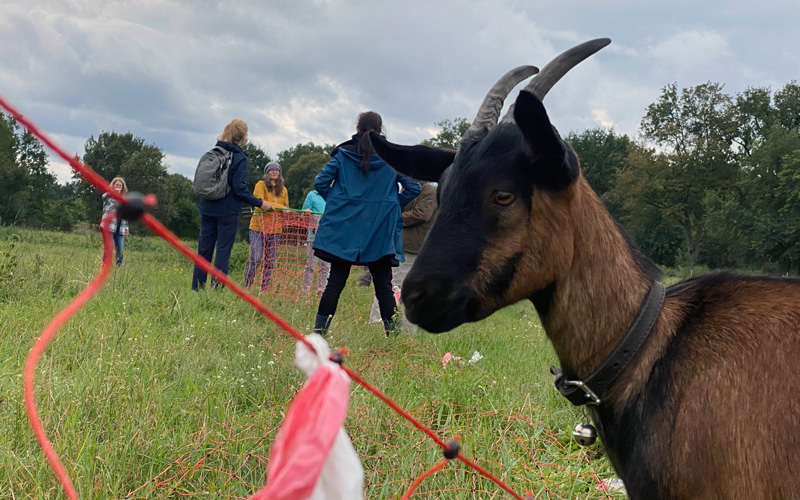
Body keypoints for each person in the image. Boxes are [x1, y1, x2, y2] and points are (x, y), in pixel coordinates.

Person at [311, 111, 421, 337]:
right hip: (379, 229)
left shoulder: (342, 154)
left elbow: (321, 182)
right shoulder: (392, 158)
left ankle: (318, 334)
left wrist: (338, 202)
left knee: (335, 282)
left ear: (357, 128)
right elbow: (414, 188)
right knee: (383, 287)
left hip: (345, 226)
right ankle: (394, 339)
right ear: (381, 131)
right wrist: (391, 205)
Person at [192, 119, 271, 290]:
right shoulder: (239, 157)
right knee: (222, 251)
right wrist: (260, 203)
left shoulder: (215, 151)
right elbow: (239, 189)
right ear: (243, 137)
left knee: (203, 251)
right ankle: (216, 291)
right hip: (227, 212)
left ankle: (197, 289)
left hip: (207, 207)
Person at [244, 161, 289, 292]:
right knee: (256, 258)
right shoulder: (261, 185)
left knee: (270, 262)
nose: (274, 171)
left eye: (277, 169)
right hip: (258, 228)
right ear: (267, 172)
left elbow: (286, 207)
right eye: (271, 169)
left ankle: (264, 289)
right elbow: (260, 203)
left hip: (275, 230)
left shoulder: (284, 190)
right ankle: (248, 285)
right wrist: (281, 208)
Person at [301, 187, 330, 294]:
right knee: (310, 266)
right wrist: (306, 212)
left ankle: (321, 291)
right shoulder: (312, 195)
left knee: (326, 266)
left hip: (329, 237)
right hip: (314, 236)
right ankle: (305, 291)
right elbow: (303, 214)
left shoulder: (334, 195)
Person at [100, 176, 129, 267]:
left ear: (122, 187)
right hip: (110, 225)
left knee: (120, 249)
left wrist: (127, 228)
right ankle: (105, 267)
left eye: (120, 185)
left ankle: (118, 267)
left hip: (121, 226)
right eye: (116, 185)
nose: (118, 187)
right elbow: (103, 196)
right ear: (113, 186)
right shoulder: (108, 196)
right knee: (108, 248)